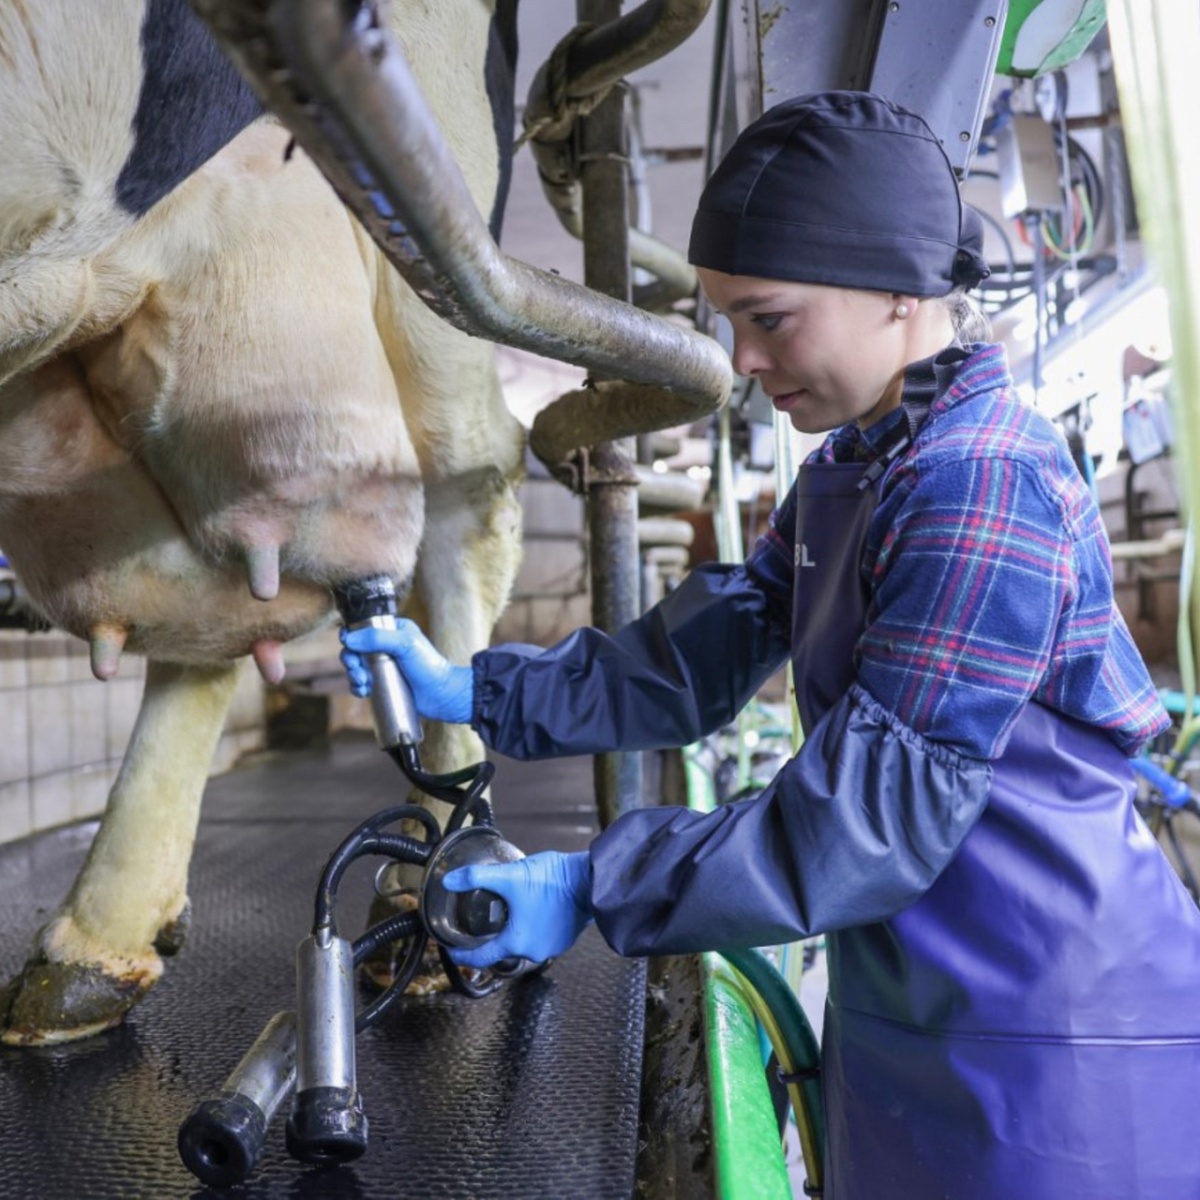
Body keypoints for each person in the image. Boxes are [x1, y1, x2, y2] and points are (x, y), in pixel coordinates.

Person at [342, 92, 1200, 1199]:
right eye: (728, 321)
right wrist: (471, 682)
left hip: (1053, 1040)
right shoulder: (851, 468)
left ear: (900, 290)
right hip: (905, 1004)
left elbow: (867, 822)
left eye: (771, 318)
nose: (740, 358)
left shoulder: (978, 484)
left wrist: (596, 884)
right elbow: (689, 660)